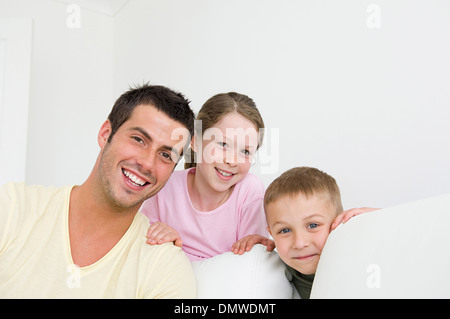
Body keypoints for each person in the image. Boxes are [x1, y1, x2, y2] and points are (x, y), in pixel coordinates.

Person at [0, 84, 197, 298]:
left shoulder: (165, 267)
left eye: (166, 155)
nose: (148, 163)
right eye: (139, 140)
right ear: (105, 134)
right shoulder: (12, 208)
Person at [142, 92, 274, 261]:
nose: (232, 160)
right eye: (223, 144)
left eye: (245, 151)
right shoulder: (166, 185)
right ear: (196, 141)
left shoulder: (249, 190)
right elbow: (142, 246)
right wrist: (162, 238)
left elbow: (249, 264)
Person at [264, 166, 378, 299]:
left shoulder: (359, 258)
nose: (299, 243)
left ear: (339, 221)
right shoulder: (279, 273)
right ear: (271, 233)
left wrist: (381, 219)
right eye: (284, 230)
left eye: (312, 225)